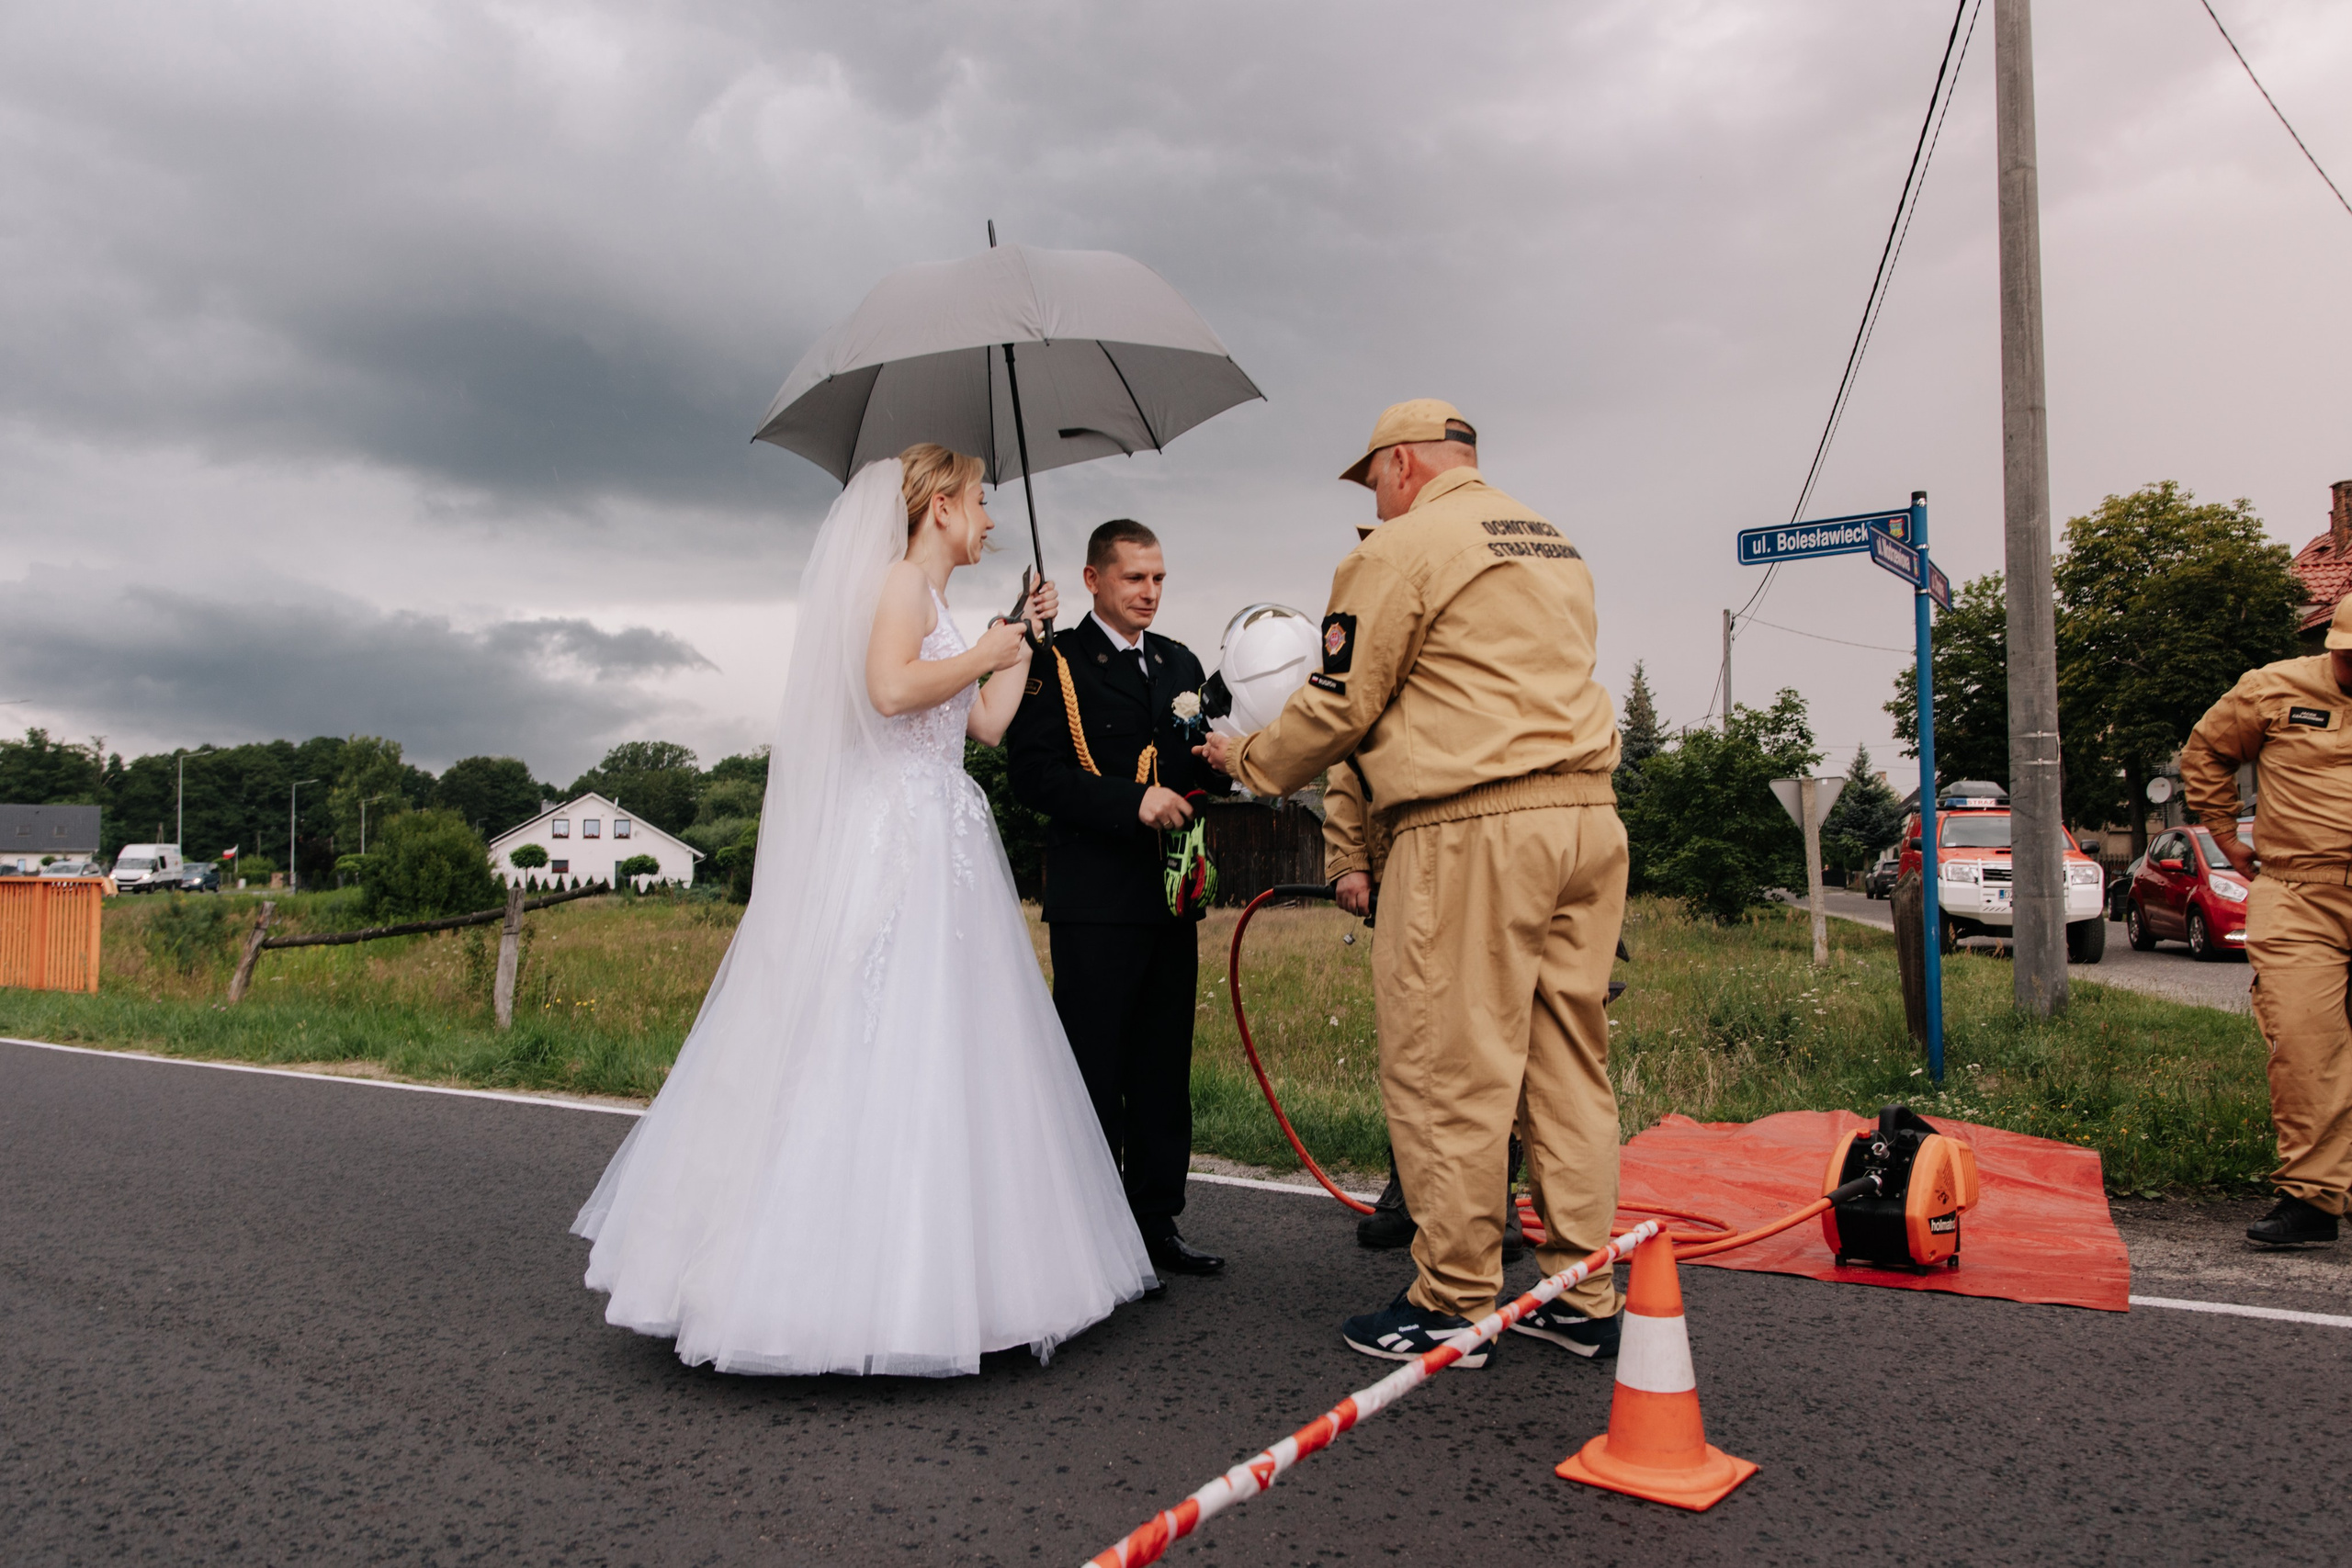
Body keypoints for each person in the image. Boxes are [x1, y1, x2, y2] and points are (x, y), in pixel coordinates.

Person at [571, 446, 1157, 1376]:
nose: (989, 520)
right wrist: (981, 650)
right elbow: (890, 692)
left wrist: (1021, 640)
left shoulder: (937, 603)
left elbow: (986, 724)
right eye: (978, 503)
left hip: (945, 832)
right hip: (897, 834)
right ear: (938, 509)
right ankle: (819, 1288)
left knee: (954, 1047)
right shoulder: (896, 587)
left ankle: (958, 1280)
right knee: (867, 1031)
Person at [1196, 400, 1625, 1367]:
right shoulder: (1550, 541)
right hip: (1587, 820)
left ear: (1401, 464)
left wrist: (1248, 761)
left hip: (1472, 827)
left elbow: (1342, 702)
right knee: (1566, 1065)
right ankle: (1582, 1292)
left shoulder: (1397, 551)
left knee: (1448, 1065)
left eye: (1374, 480)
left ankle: (1454, 1302)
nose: (1375, 500)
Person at [1006, 519, 1231, 1278]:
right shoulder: (1058, 661)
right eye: (1135, 577)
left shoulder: (1180, 662)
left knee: (1163, 1068)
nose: (1150, 592)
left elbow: (1198, 770)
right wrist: (1128, 802)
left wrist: (1219, 765)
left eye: (1160, 578)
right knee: (1096, 1069)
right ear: (1095, 579)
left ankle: (1155, 1224)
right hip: (1096, 899)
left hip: (1168, 896)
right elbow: (1033, 775)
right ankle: (1092, 1234)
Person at [2180, 594, 2352, 1247]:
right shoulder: (2272, 690)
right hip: (2300, 891)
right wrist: (2224, 834)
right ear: (2334, 646)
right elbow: (2205, 753)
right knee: (2306, 1043)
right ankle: (2311, 1198)